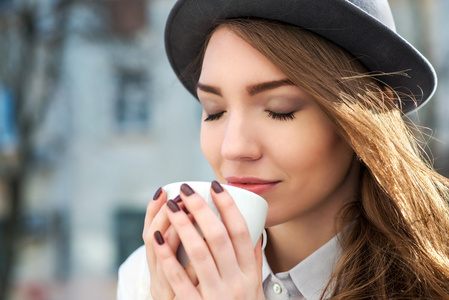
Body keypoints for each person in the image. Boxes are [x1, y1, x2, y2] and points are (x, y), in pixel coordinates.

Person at [117, 0, 449, 299]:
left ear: (369, 115)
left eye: (280, 108)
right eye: (214, 111)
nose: (233, 148)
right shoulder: (150, 276)